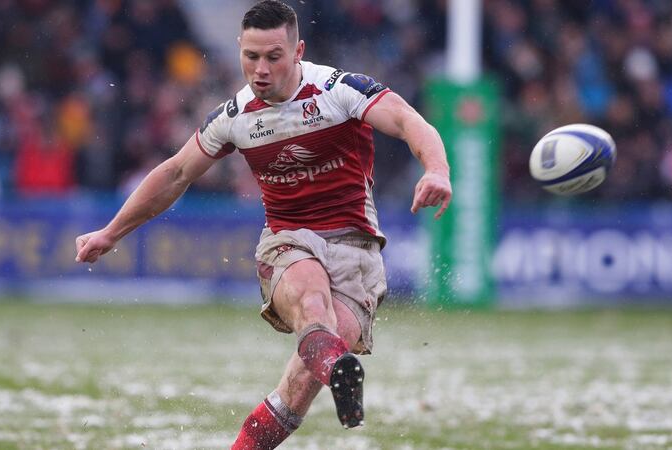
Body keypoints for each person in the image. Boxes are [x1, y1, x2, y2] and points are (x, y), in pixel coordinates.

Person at [75, 1, 451, 448]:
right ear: (239, 50)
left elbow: (409, 120)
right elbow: (176, 173)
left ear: (298, 51)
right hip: (288, 241)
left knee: (301, 384)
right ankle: (338, 371)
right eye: (251, 56)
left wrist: (437, 170)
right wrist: (110, 232)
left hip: (356, 248)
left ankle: (324, 380)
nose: (261, 69)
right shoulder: (235, 116)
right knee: (314, 304)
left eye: (274, 56)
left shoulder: (338, 90)